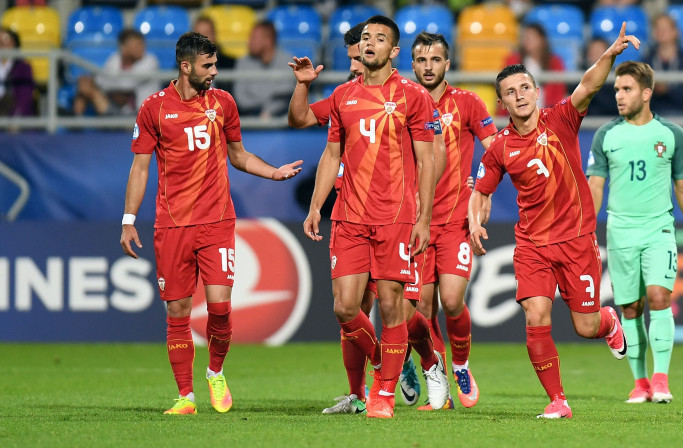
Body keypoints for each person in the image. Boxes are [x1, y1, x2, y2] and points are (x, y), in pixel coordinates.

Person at [119, 32, 302, 415]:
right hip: (172, 225)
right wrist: (128, 219)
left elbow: (238, 155)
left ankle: (215, 372)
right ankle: (185, 397)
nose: (215, 72)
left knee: (220, 308)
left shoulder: (223, 103)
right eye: (208, 66)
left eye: (215, 64)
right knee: (178, 311)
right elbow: (140, 168)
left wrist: (272, 173)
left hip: (216, 220)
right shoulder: (153, 108)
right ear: (185, 67)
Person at [469, 23, 640, 419]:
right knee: (536, 316)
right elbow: (480, 190)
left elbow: (588, 86)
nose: (519, 96)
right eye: (510, 93)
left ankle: (608, 322)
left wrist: (610, 55)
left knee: (585, 325)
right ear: (502, 103)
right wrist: (476, 221)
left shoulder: (561, 119)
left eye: (524, 88)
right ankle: (558, 399)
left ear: (536, 90)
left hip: (577, 240)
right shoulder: (499, 149)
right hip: (531, 244)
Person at [290, 23, 451, 415]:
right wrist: (316, 206)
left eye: (379, 39)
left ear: (394, 51)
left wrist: (424, 218)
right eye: (365, 38)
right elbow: (328, 152)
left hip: (395, 217)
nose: (369, 43)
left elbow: (428, 158)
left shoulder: (412, 96)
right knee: (346, 309)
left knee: (397, 308)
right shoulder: (344, 95)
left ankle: (385, 392)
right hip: (349, 217)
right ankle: (386, 367)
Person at [587, 61, 683, 404]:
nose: (619, 96)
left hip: (658, 230)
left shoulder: (671, 135)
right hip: (621, 232)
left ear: (646, 92)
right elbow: (594, 187)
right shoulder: (606, 135)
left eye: (626, 89)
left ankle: (660, 379)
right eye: (616, 90)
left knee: (659, 297)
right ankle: (639, 383)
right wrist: (585, 229)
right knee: (630, 308)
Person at [400, 31, 498, 411]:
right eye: (421, 61)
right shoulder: (403, 102)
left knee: (452, 299)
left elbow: (497, 150)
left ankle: (461, 366)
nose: (428, 67)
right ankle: (436, 382)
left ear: (447, 63)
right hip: (416, 223)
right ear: (412, 65)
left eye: (435, 60)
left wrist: (483, 187)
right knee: (420, 313)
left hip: (456, 219)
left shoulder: (468, 103)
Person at [74, 29, 160, 116]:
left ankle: (75, 120)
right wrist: (95, 81)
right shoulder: (115, 58)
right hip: (121, 109)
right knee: (85, 84)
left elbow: (127, 84)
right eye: (137, 45)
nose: (142, 47)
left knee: (94, 89)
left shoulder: (150, 61)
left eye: (142, 43)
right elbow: (102, 79)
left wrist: (104, 83)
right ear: (124, 47)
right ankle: (76, 119)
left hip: (142, 116)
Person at [233, 21, 294, 120]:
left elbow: (287, 94)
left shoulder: (288, 61)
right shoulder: (243, 62)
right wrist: (266, 105)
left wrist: (269, 111)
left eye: (253, 38)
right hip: (251, 119)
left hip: (283, 121)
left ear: (268, 40)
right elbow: (241, 98)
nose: (248, 41)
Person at [643, 13, 683, 116]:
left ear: (676, 32)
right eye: (658, 28)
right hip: (654, 114)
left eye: (665, 29)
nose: (661, 32)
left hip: (682, 114)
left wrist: (667, 90)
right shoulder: (646, 61)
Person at [504, 22, 566, 109]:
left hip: (547, 113)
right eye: (526, 37)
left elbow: (558, 92)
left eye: (532, 37)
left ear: (542, 40)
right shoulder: (513, 61)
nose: (528, 40)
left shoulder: (555, 62)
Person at [192, 15, 236, 92]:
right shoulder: (184, 64)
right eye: (197, 35)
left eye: (206, 33)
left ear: (214, 35)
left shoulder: (230, 64)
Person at [0, 28, 35, 117]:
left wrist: (16, 117)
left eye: (6, 39)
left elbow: (25, 96)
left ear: (14, 43)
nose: (2, 43)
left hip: (12, 116)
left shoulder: (23, 68)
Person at [584, 38, 618, 116]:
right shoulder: (579, 75)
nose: (597, 55)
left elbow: (613, 105)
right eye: (594, 52)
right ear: (588, 55)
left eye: (600, 51)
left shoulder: (616, 75)